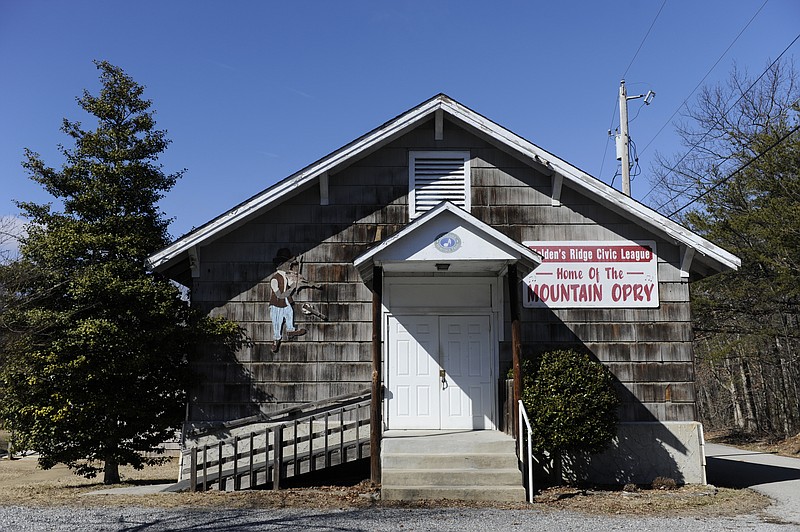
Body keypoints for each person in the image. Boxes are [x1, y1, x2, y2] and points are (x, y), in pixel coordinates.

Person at [269, 249, 307, 353]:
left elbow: (292, 283)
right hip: (276, 304)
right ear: (281, 264)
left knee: (290, 313)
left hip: (285, 302)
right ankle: (276, 340)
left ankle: (291, 330)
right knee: (277, 323)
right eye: (288, 264)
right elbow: (280, 295)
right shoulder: (274, 279)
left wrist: (298, 281)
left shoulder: (286, 277)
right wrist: (291, 288)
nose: (289, 266)